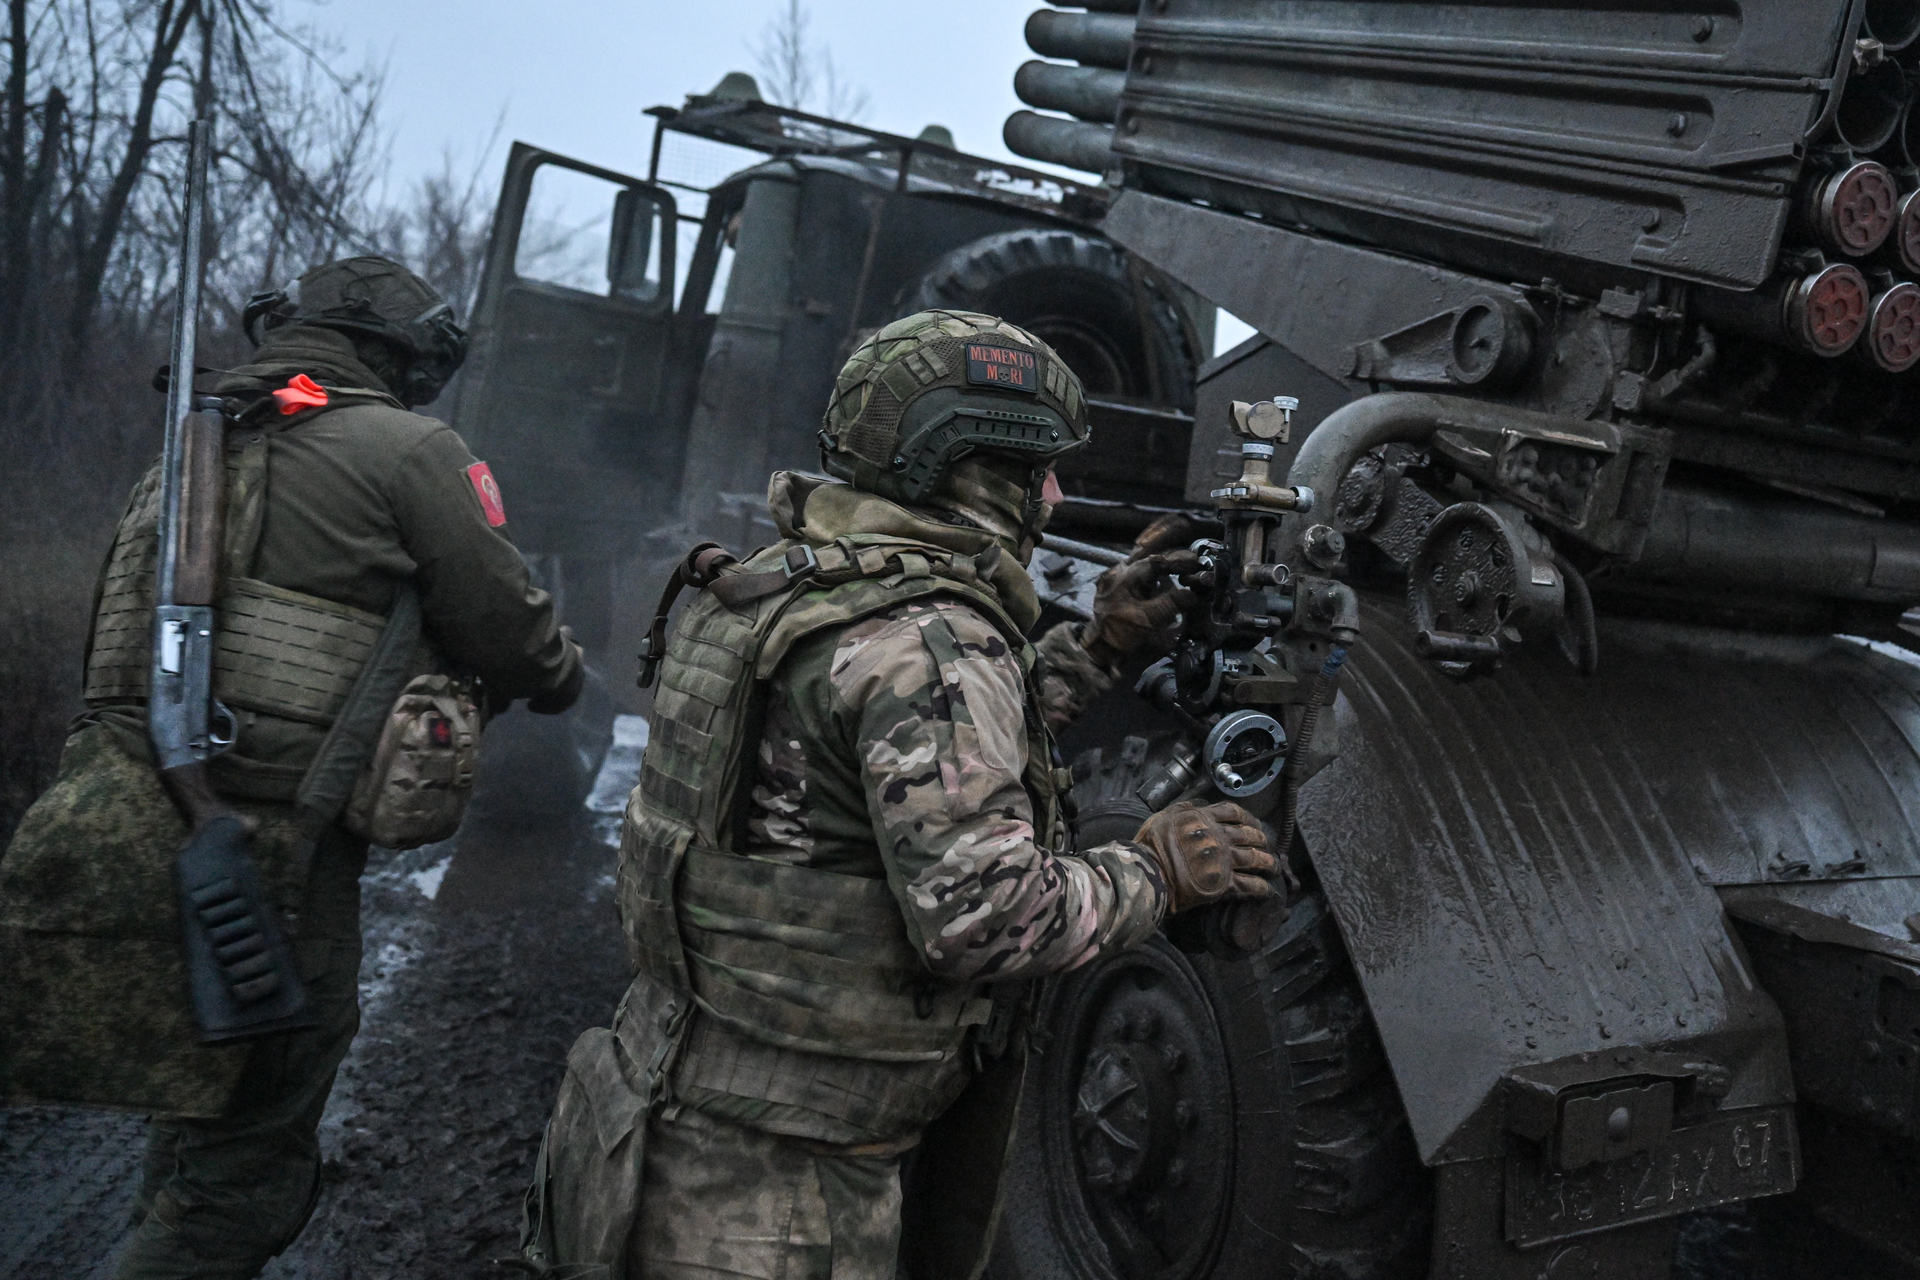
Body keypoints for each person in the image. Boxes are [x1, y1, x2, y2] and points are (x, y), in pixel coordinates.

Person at [524, 309, 1277, 1279]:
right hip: (774, 1201)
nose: (1055, 494)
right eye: (1039, 469)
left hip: (662, 1110)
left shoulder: (774, 583)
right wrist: (1157, 871)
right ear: (963, 465)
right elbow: (992, 919)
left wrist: (1099, 646)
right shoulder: (931, 641)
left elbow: (886, 764)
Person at [0, 255, 584, 1279]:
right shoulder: (411, 451)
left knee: (197, 1128)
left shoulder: (197, 438)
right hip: (274, 853)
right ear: (399, 359)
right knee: (244, 1182)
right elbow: (514, 633)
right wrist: (564, 672)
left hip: (111, 818)